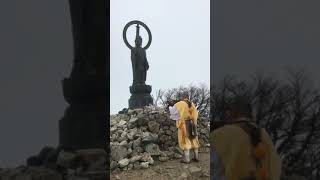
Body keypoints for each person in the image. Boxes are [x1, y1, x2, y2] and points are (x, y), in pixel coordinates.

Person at [210, 96, 282, 180]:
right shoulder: (264, 135)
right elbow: (276, 168)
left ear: (232, 113)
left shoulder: (219, 134)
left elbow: (212, 168)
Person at [168, 93, 200, 163]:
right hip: (192, 123)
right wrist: (194, 122)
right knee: (193, 139)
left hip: (184, 124)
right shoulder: (191, 104)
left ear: (182, 97)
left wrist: (170, 106)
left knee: (185, 140)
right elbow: (195, 114)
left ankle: (187, 159)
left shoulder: (181, 103)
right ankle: (196, 157)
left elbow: (173, 111)